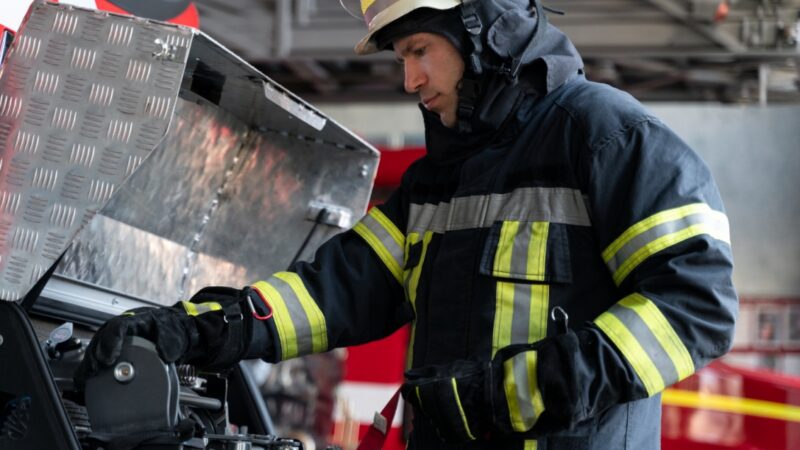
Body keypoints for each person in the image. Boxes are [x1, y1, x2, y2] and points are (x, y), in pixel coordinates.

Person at [76, 1, 738, 448]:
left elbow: (696, 305)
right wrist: (197, 328)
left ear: (485, 30)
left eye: (419, 49)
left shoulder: (608, 139)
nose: (410, 77)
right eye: (400, 57)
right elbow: (336, 288)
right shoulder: (441, 178)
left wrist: (514, 393)